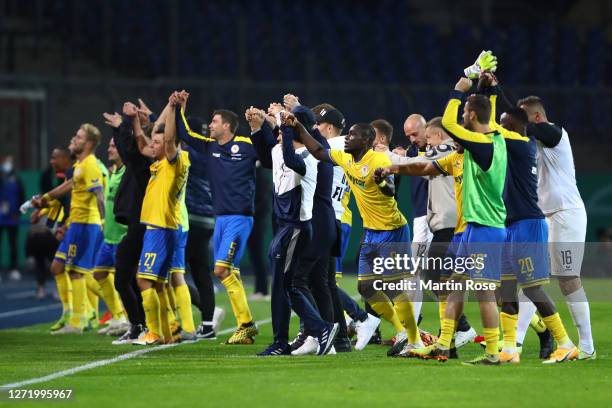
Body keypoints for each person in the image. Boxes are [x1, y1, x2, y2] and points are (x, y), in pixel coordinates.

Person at [289, 114, 423, 354]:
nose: (348, 138)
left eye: (353, 135)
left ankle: (414, 340)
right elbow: (319, 151)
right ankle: (401, 330)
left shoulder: (377, 159)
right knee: (365, 288)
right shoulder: (345, 157)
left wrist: (383, 182)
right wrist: (297, 126)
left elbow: (391, 190)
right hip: (371, 232)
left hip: (392, 230)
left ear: (367, 140)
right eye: (348, 134)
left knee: (393, 288)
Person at [404, 76, 507, 365]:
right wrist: (490, 90)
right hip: (472, 229)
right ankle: (445, 344)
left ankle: (493, 352)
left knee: (486, 294)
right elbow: (426, 164)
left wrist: (458, 91)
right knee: (451, 284)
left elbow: (449, 124)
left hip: (485, 227)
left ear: (472, 115)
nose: (461, 118)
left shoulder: (484, 144)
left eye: (465, 113)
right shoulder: (485, 141)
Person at [477, 73, 578, 364]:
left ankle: (565, 342)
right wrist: (489, 90)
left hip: (528, 224)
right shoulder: (510, 143)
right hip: (510, 225)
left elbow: (490, 125)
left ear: (515, 128)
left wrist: (490, 93)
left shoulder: (520, 145)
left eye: (505, 124)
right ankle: (509, 349)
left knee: (533, 288)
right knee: (505, 288)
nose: (501, 126)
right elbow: (494, 125)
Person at [248, 106, 339, 356]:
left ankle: (319, 328)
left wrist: (287, 126)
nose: (280, 132)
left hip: (297, 228)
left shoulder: (310, 158)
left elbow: (290, 159)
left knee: (288, 286)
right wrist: (258, 126)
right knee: (283, 286)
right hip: (284, 227)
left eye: (286, 127)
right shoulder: (280, 149)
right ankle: (284, 340)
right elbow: (270, 155)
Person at [517, 95, 596, 360]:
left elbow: (525, 127)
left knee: (568, 280)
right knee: (532, 280)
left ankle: (586, 347)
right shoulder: (532, 144)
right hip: (544, 216)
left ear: (537, 118)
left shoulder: (556, 134)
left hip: (566, 214)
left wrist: (496, 90)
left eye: (523, 119)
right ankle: (513, 344)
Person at [176, 92, 258, 344]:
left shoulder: (246, 145)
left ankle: (246, 323)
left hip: (239, 218)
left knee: (221, 270)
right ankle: (245, 326)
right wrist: (179, 108)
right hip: (220, 219)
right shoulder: (210, 146)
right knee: (228, 271)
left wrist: (261, 125)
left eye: (214, 122)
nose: (210, 125)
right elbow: (185, 134)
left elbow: (267, 151)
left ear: (227, 126)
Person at [125, 94, 190, 345]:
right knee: (160, 284)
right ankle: (169, 330)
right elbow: (144, 141)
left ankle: (152, 332)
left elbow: (171, 137)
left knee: (143, 280)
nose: (153, 144)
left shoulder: (174, 163)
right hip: (162, 228)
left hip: (161, 228)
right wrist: (136, 122)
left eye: (157, 142)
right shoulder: (159, 164)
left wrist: (174, 109)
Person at [36, 124, 106, 334]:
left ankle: (86, 319)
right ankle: (78, 318)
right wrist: (46, 199)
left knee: (79, 272)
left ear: (89, 143)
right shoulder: (80, 166)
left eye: (79, 137)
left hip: (86, 224)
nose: (74, 139)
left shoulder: (91, 164)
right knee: (71, 269)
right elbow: (68, 187)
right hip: (77, 224)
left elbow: (99, 195)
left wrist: (103, 224)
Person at [94, 137, 129, 336]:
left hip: (122, 237)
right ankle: (119, 317)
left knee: (125, 282)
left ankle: (132, 321)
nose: (109, 149)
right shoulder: (113, 171)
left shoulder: (127, 173)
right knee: (98, 274)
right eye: (109, 145)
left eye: (114, 146)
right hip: (109, 237)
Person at [0, 155, 24, 281]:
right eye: (5, 161)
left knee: (13, 243)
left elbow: (21, 195)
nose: (7, 164)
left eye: (10, 161)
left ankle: (14, 269)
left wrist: (18, 212)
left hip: (13, 216)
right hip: (0, 216)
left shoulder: (17, 179)